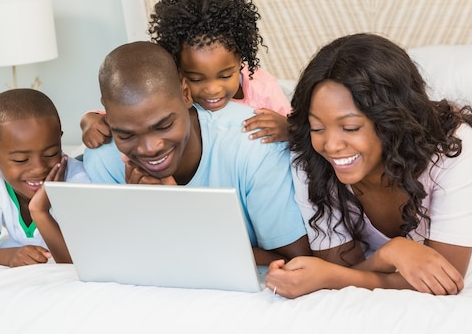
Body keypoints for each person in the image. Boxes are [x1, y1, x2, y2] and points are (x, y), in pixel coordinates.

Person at [264, 33, 472, 298]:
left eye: (350, 127)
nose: (332, 145)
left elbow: (447, 276)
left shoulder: (453, 148)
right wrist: (388, 254)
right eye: (317, 126)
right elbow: (341, 266)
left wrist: (332, 277)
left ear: (389, 122)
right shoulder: (311, 157)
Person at [82, 41, 310, 265]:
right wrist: (143, 209)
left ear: (185, 94)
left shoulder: (256, 145)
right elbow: (119, 258)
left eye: (163, 126)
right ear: (108, 114)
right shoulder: (102, 158)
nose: (149, 149)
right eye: (127, 135)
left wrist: (180, 212)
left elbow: (296, 262)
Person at [80, 0, 291, 149]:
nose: (213, 89)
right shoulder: (171, 88)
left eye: (225, 76)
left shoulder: (263, 89)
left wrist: (288, 128)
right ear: (178, 71)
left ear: (240, 62)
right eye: (196, 79)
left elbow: (302, 128)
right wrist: (90, 120)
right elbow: (131, 112)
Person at [0, 88, 90, 267]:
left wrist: (40, 211)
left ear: (60, 139)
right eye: (20, 159)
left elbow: (76, 261)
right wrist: (10, 256)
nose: (39, 169)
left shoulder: (79, 182)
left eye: (51, 153)